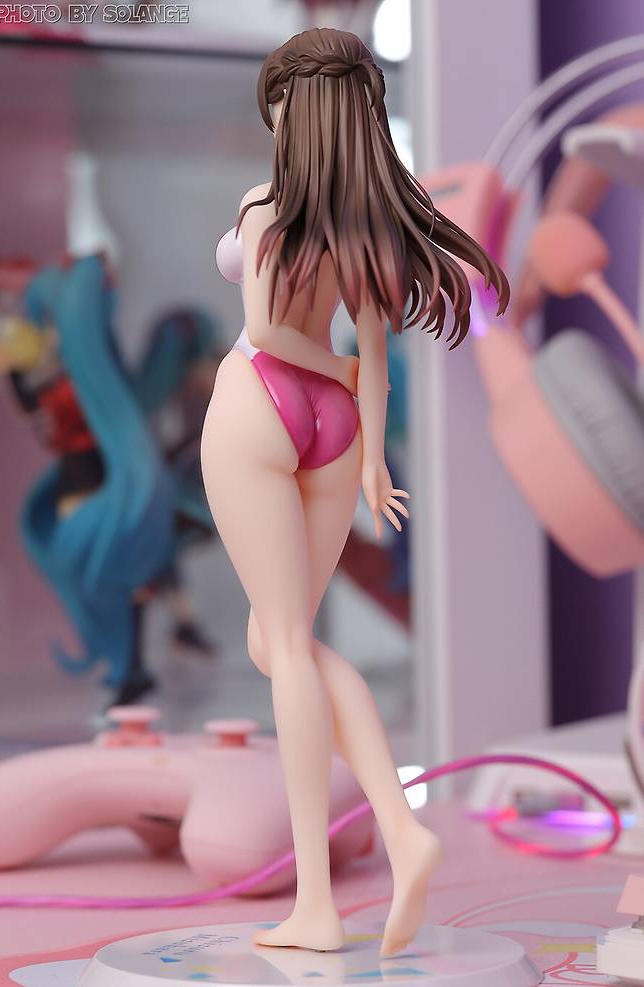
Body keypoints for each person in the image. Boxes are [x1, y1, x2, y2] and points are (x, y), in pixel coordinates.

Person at [201, 27, 508, 956]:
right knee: (278, 638)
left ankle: (317, 904)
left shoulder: (265, 205)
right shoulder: (370, 223)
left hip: (260, 403)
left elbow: (267, 330)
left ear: (297, 110)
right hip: (336, 426)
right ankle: (403, 828)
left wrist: (326, 369)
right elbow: (373, 351)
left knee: (287, 646)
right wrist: (371, 458)